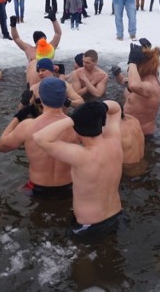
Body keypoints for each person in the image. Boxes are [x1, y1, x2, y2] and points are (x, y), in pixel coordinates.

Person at [33, 100, 124, 239]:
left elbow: (40, 138)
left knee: (81, 259)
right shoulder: (115, 141)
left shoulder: (81, 155)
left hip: (90, 225)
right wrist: (99, 107)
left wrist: (72, 119)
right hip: (117, 214)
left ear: (76, 127)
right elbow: (116, 109)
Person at [0, 77, 79, 198]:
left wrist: (18, 117)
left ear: (40, 96)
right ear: (64, 97)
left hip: (37, 188)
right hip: (69, 187)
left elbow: (3, 146)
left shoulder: (28, 125)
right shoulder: (77, 126)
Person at [118, 39, 160, 136]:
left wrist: (132, 62)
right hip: (130, 130)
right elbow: (129, 82)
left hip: (141, 134)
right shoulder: (144, 78)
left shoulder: (151, 85)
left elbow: (133, 85)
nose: (130, 69)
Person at [10, 12, 62, 87]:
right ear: (36, 41)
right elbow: (16, 38)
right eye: (41, 39)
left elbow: (58, 34)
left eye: (45, 39)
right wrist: (13, 25)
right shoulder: (29, 49)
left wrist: (54, 20)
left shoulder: (50, 47)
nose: (44, 41)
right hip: (33, 80)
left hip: (48, 79)